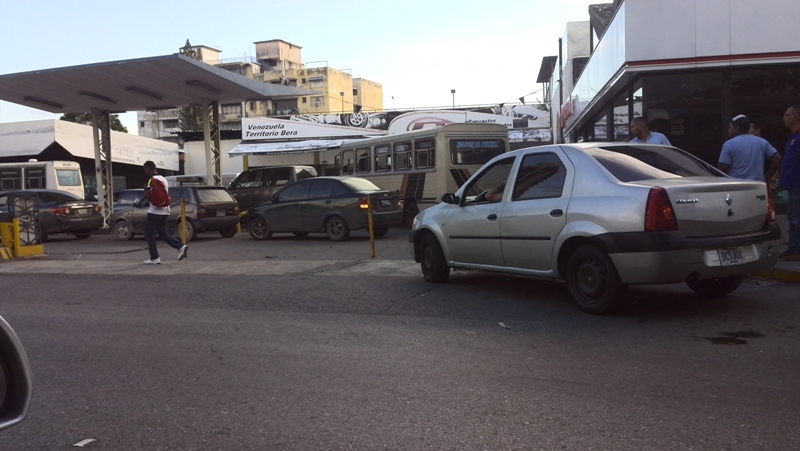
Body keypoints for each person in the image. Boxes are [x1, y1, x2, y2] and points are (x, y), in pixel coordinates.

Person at [143, 161, 187, 265]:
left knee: (149, 234)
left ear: (148, 169)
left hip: (154, 211)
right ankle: (180, 246)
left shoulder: (151, 180)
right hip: (165, 210)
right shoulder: (164, 179)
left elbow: (148, 196)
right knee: (162, 232)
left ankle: (154, 258)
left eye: (145, 170)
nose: (145, 172)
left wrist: (145, 188)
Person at [718, 114, 782, 182]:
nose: (728, 130)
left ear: (737, 128)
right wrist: (768, 176)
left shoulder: (729, 144)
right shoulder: (761, 142)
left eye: (730, 127)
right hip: (758, 186)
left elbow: (723, 168)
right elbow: (777, 158)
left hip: (737, 186)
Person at [778, 105, 800, 261]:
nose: (784, 118)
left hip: (798, 183)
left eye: (787, 115)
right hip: (791, 183)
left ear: (796, 116)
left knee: (797, 217)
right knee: (792, 215)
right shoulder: (792, 137)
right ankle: (792, 248)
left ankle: (797, 249)